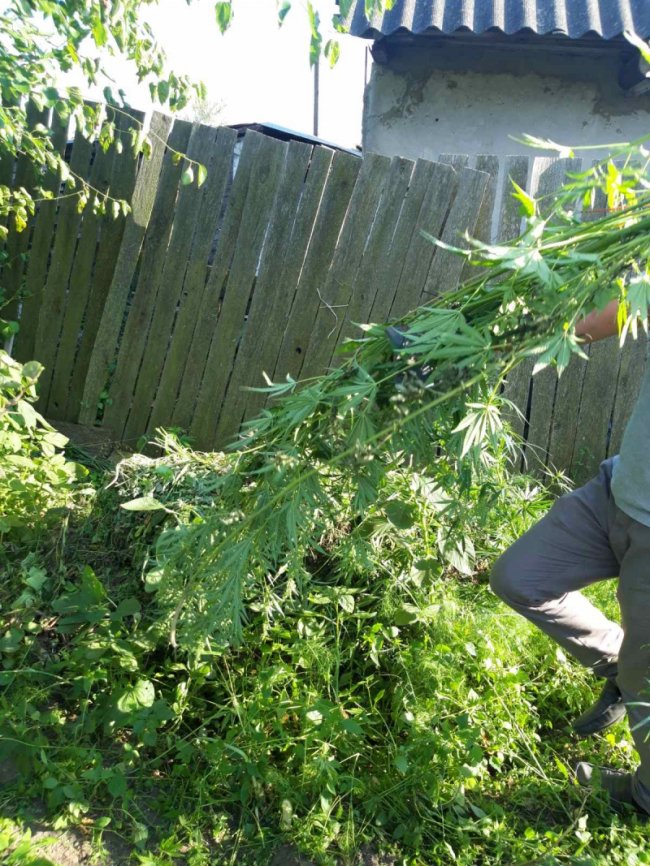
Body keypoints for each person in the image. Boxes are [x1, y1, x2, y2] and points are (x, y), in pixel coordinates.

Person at [490, 298, 650, 818]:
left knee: (649, 678)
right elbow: (606, 319)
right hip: (615, 493)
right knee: (518, 577)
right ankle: (617, 668)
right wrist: (500, 341)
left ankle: (647, 795)